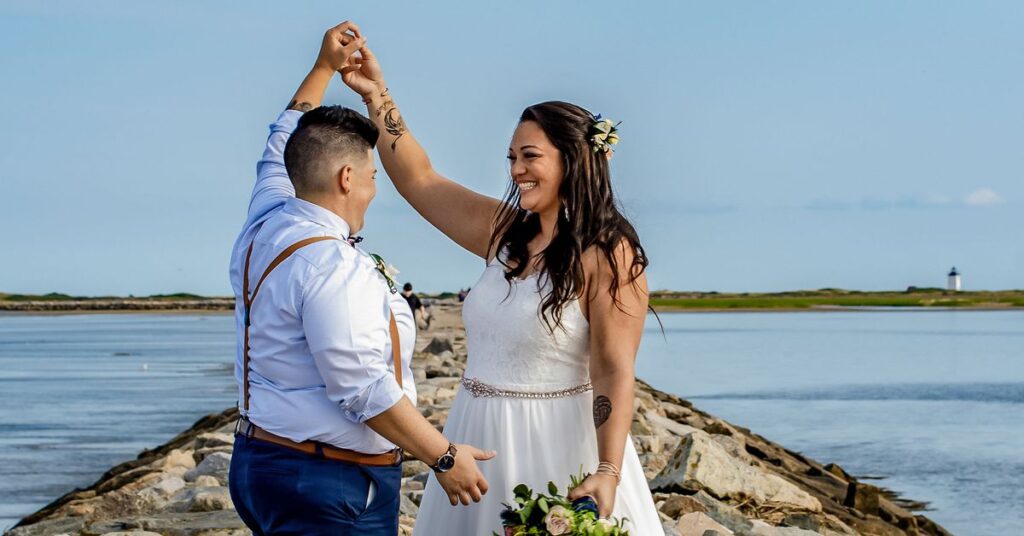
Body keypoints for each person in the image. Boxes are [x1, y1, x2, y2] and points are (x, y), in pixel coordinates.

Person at [339, 31, 662, 534]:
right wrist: (375, 95)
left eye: (530, 156)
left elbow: (614, 370)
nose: (516, 171)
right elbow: (419, 179)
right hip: (476, 435)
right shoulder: (505, 234)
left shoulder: (610, 252)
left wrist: (607, 470)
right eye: (511, 158)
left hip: (558, 444)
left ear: (573, 159)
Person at [226, 22, 494, 535]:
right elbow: (361, 388)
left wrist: (324, 67)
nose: (374, 190)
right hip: (330, 484)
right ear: (348, 178)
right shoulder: (331, 265)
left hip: (260, 462)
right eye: (372, 178)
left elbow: (284, 137)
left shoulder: (266, 219)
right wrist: (443, 456)